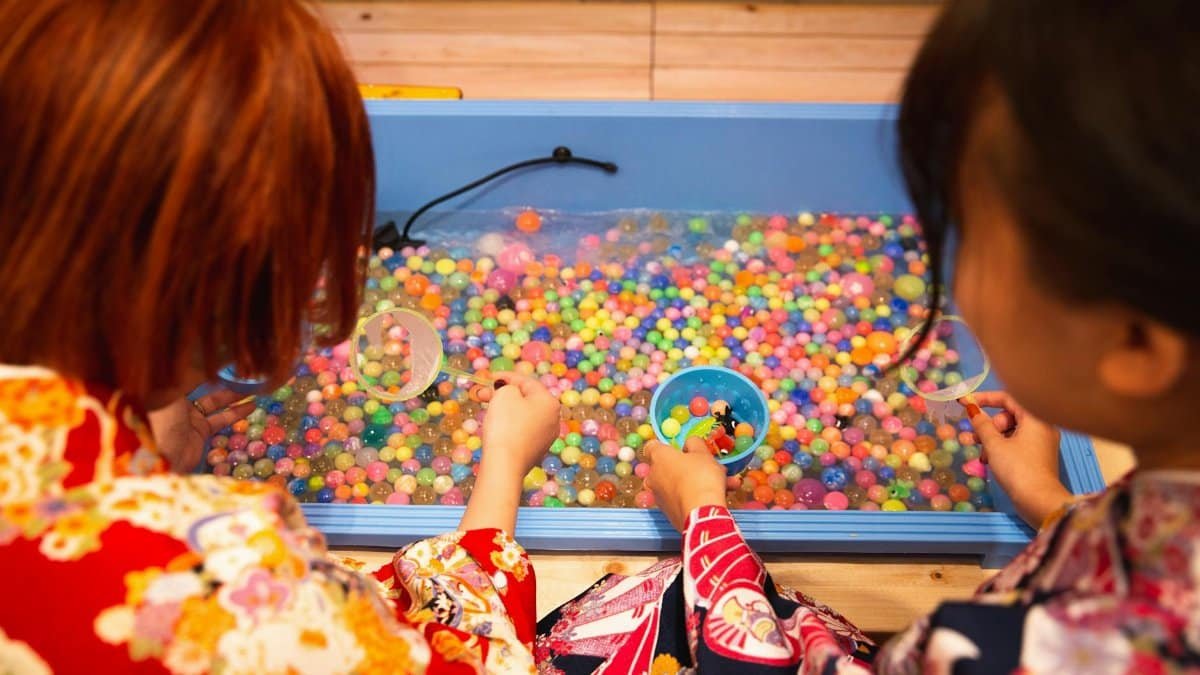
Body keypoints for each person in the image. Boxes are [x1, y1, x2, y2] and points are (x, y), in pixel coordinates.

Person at [536, 1, 1200, 672]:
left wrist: (705, 513)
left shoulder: (1007, 652)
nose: (948, 265)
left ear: (1137, 347)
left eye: (967, 232)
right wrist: (1051, 505)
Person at [0, 2, 560, 672]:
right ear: (224, 287)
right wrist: (503, 461)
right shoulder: (237, 572)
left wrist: (141, 450)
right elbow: (473, 663)